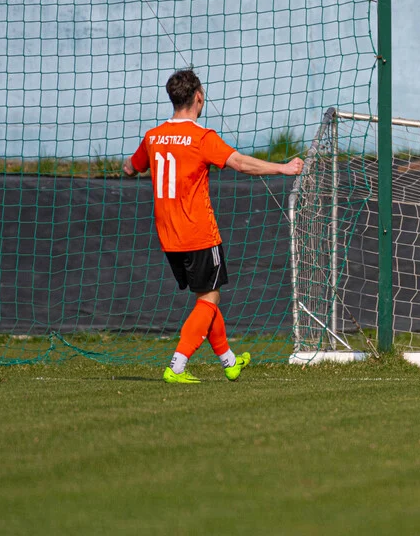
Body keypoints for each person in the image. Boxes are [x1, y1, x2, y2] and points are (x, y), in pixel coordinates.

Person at [123, 69, 303, 383]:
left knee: (207, 297)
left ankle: (229, 361)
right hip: (199, 233)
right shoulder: (201, 137)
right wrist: (284, 168)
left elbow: (131, 166)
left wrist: (125, 166)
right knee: (208, 301)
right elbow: (241, 163)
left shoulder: (153, 137)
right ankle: (177, 365)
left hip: (169, 237)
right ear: (198, 97)